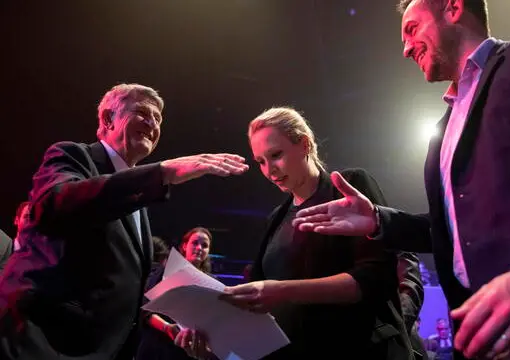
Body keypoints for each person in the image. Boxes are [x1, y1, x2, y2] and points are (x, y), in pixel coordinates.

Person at [292, 1, 510, 359]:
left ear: (453, 8)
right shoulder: (442, 129)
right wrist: (379, 220)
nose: (406, 48)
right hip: (486, 338)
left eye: (412, 29)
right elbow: (455, 232)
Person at [0, 83, 248, 360]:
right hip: (46, 344)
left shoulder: (137, 199)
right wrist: (162, 172)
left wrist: (183, 326)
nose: (152, 123)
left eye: (158, 119)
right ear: (108, 119)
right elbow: (55, 204)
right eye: (142, 112)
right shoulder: (72, 155)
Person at [220, 107, 418, 359]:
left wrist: (282, 290)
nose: (270, 171)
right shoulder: (276, 218)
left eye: (276, 155)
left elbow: (375, 278)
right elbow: (256, 295)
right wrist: (212, 327)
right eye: (261, 162)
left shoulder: (348, 187)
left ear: (304, 144)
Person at [137, 227, 217, 360]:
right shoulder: (168, 271)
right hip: (158, 347)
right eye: (195, 243)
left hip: (186, 353)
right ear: (184, 246)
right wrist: (167, 328)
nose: (199, 248)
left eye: (204, 245)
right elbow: (146, 310)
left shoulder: (212, 283)